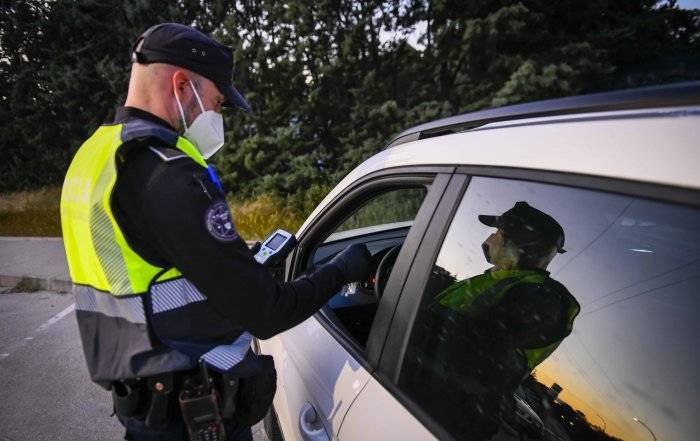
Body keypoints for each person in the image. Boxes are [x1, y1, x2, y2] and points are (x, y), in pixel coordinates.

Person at [60, 23, 371, 441]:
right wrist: (342, 270)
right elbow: (267, 312)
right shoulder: (168, 174)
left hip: (141, 401)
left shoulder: (96, 158)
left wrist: (236, 267)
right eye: (218, 102)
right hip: (193, 415)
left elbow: (148, 271)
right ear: (182, 86)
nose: (218, 116)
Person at [405, 201, 580, 440]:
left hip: (445, 409)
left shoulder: (540, 298)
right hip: (426, 389)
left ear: (519, 243)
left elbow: (470, 353)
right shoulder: (501, 280)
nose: (490, 238)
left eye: (499, 232)